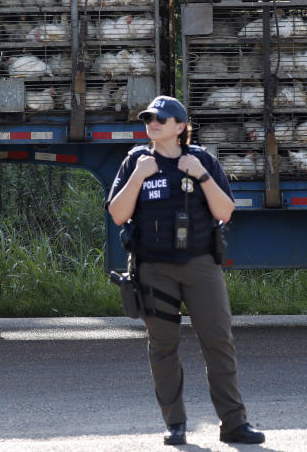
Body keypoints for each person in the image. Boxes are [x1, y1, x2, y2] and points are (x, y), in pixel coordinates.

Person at [106, 95, 265, 446]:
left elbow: (225, 212)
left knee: (219, 342)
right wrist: (139, 177)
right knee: (163, 346)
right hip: (153, 270)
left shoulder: (202, 159)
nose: (153, 123)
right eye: (149, 118)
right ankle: (175, 424)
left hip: (200, 266)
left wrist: (202, 175)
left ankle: (234, 424)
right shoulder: (136, 161)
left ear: (180, 127)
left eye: (161, 119)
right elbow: (118, 214)